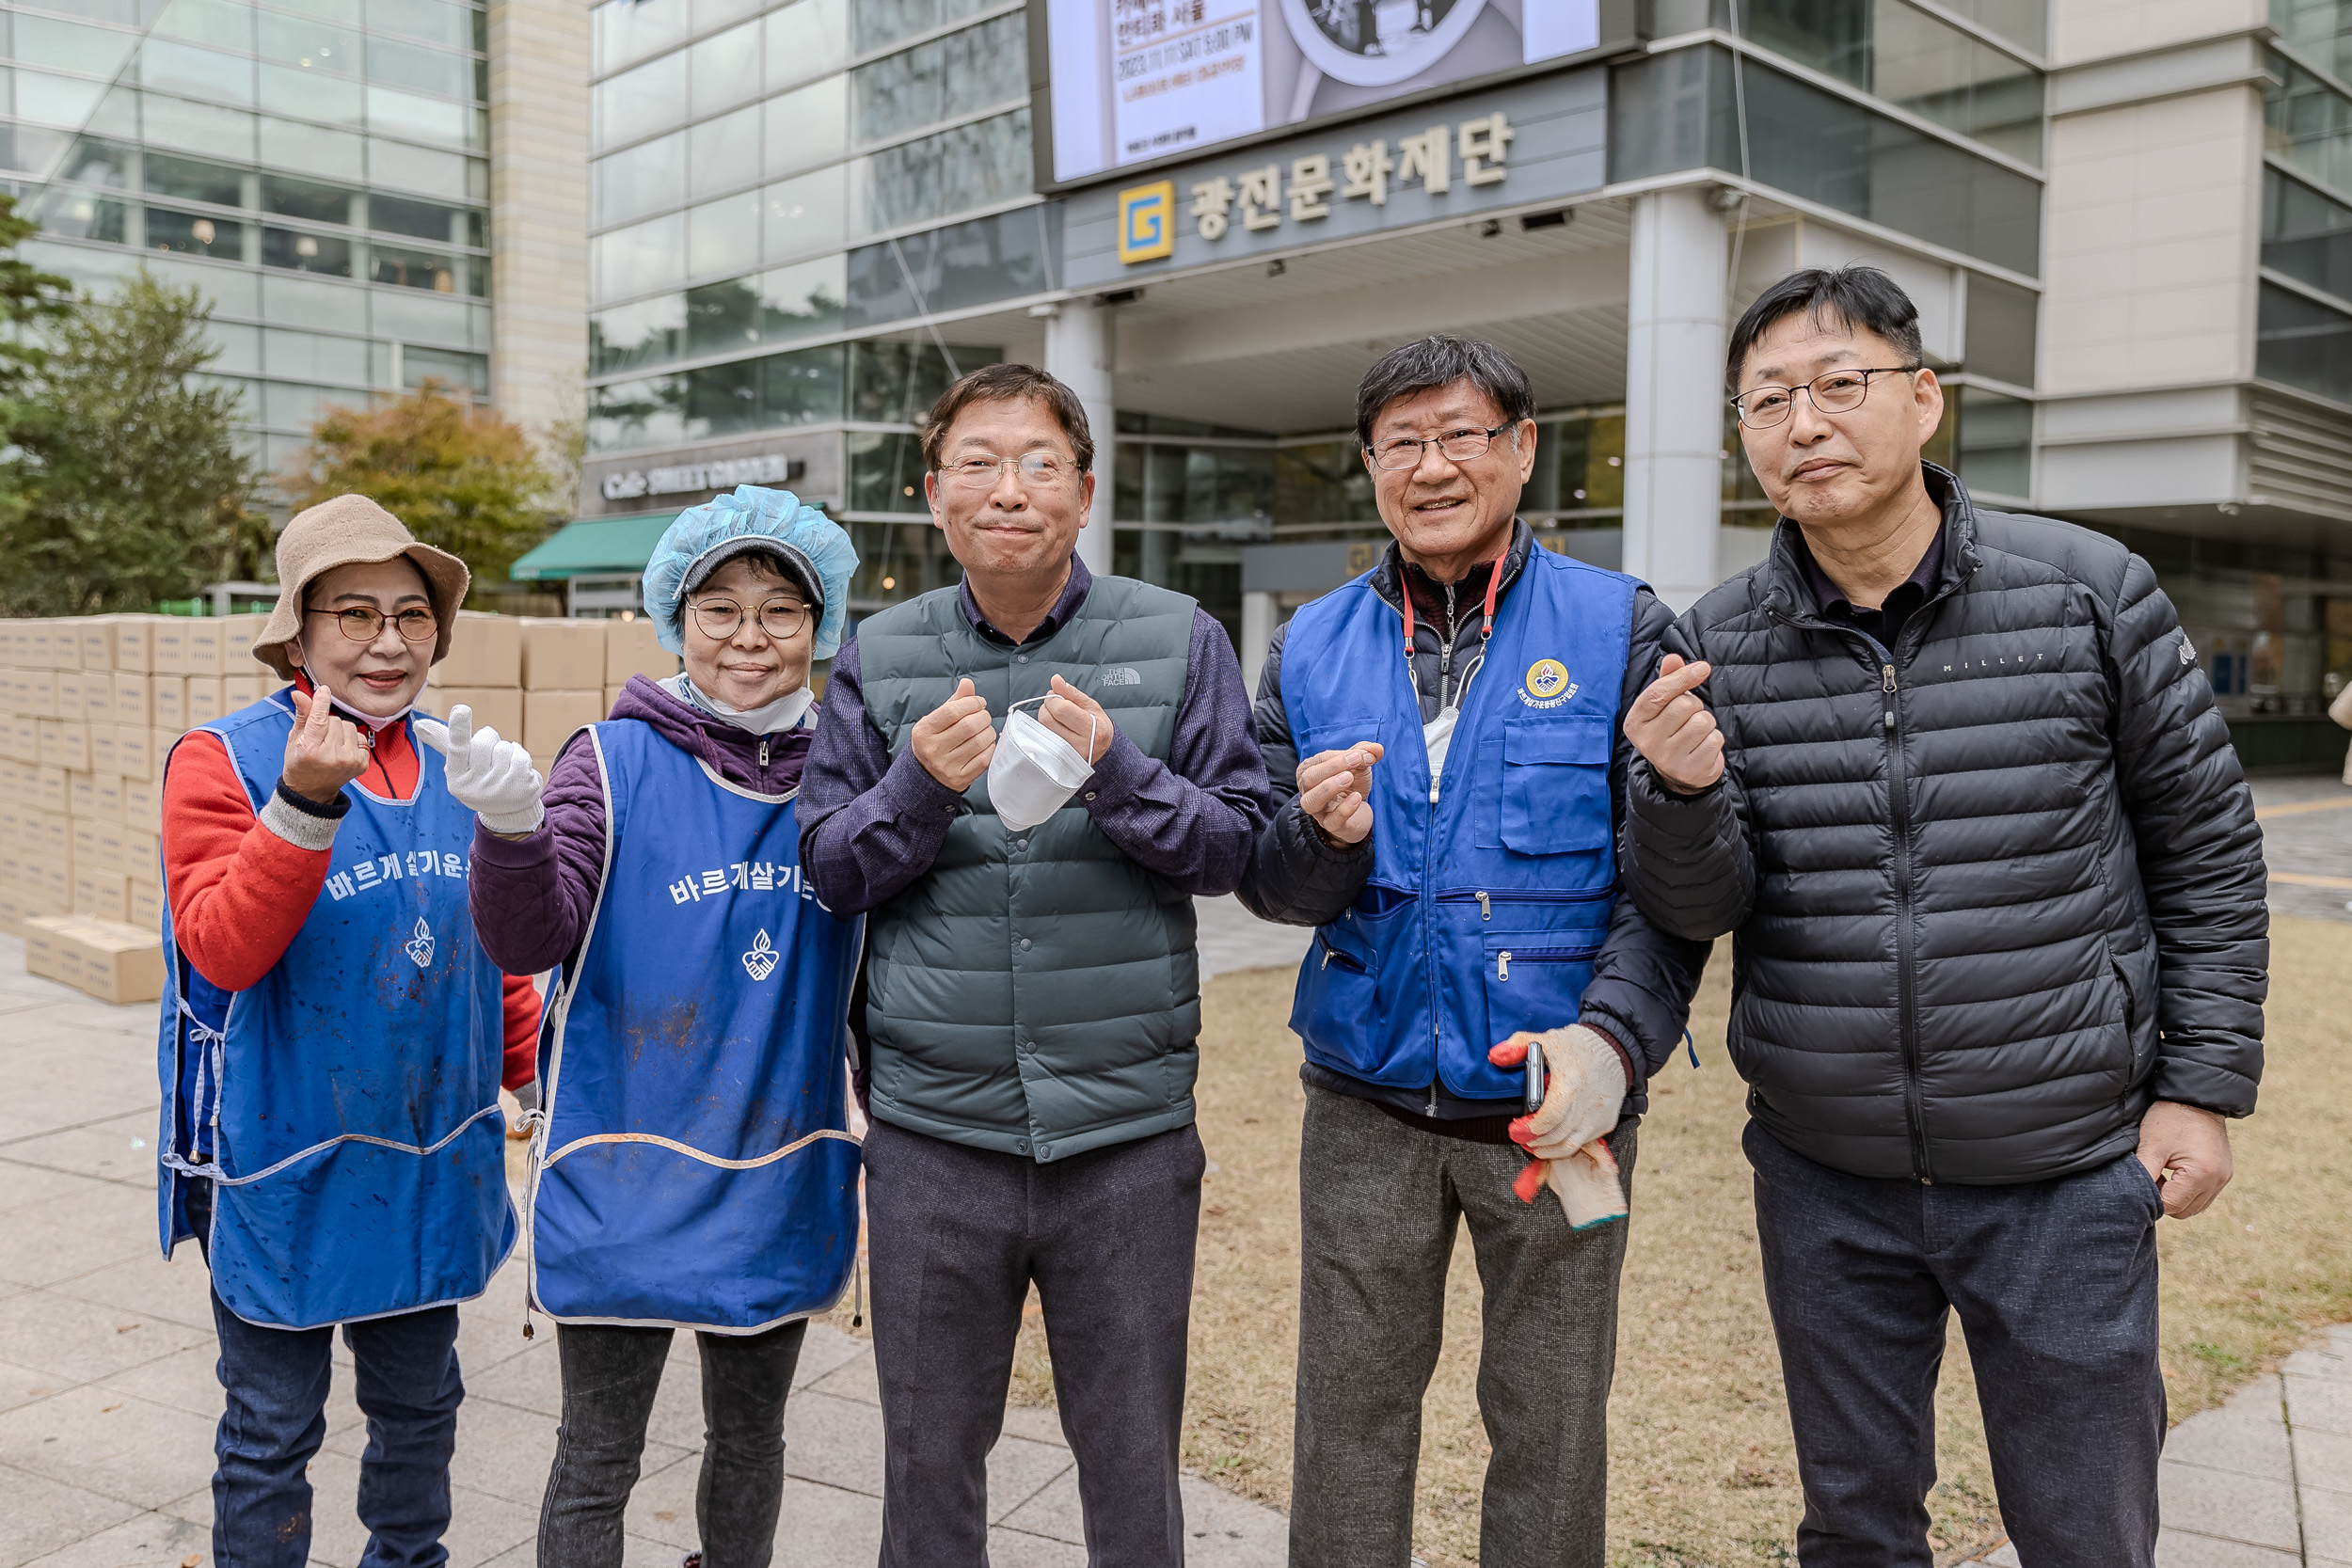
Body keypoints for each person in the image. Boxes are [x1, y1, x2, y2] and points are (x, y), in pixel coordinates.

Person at [1619, 265, 2267, 1565]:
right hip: (1824, 1173)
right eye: (1766, 400)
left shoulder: (2089, 589)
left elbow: (2206, 849)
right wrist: (1680, 791)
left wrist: (2200, 1084)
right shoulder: (1713, 642)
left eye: (1837, 384)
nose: (1803, 422)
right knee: (1855, 1523)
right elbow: (1699, 905)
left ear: (1925, 401)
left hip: (2066, 1165)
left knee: (2087, 1526)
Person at [1234, 335, 1710, 1565]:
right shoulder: (1313, 642)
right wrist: (1318, 837)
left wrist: (1612, 1043)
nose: (1432, 465)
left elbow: (1669, 885)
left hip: (1562, 1108)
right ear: (1369, 465)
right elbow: (1272, 879)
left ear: (1522, 447)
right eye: (1403, 441)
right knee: (1347, 1419)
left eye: (1461, 434)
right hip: (1362, 1102)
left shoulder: (1622, 626)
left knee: (1552, 1422)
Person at [797, 362, 1271, 1563]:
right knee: (926, 1468)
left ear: (1084, 489)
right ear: (934, 492)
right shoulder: (878, 652)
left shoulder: (1179, 636)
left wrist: (1120, 772)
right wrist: (914, 784)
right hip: (930, 1138)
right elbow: (827, 868)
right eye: (977, 463)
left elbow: (1239, 847)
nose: (1008, 488)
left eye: (1039, 462)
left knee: (1130, 1468)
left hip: (1126, 1137)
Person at [442, 487, 864, 1568]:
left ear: (821, 625)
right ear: (678, 618)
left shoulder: (848, 772)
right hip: (625, 1170)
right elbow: (530, 932)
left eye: (781, 609)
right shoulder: (609, 760)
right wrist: (511, 831)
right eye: (719, 607)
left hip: (775, 1163)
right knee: (597, 1453)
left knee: (752, 1439)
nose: (750, 637)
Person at [153, 495, 541, 1568]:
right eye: (354, 612)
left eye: (412, 615)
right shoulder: (224, 759)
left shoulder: (458, 763)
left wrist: (534, 1074)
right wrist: (302, 805)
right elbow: (223, 952)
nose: (387, 641)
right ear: (301, 629)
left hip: (430, 1162)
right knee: (274, 1432)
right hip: (291, 1161)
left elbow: (493, 948)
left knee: (422, 1410)